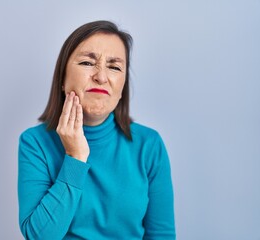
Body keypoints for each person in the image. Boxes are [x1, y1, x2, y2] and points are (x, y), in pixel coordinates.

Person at [18, 20, 175, 239]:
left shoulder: (149, 145)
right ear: (62, 79)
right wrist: (75, 157)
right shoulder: (34, 143)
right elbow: (38, 236)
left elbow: (162, 234)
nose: (101, 77)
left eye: (114, 67)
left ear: (122, 88)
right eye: (87, 63)